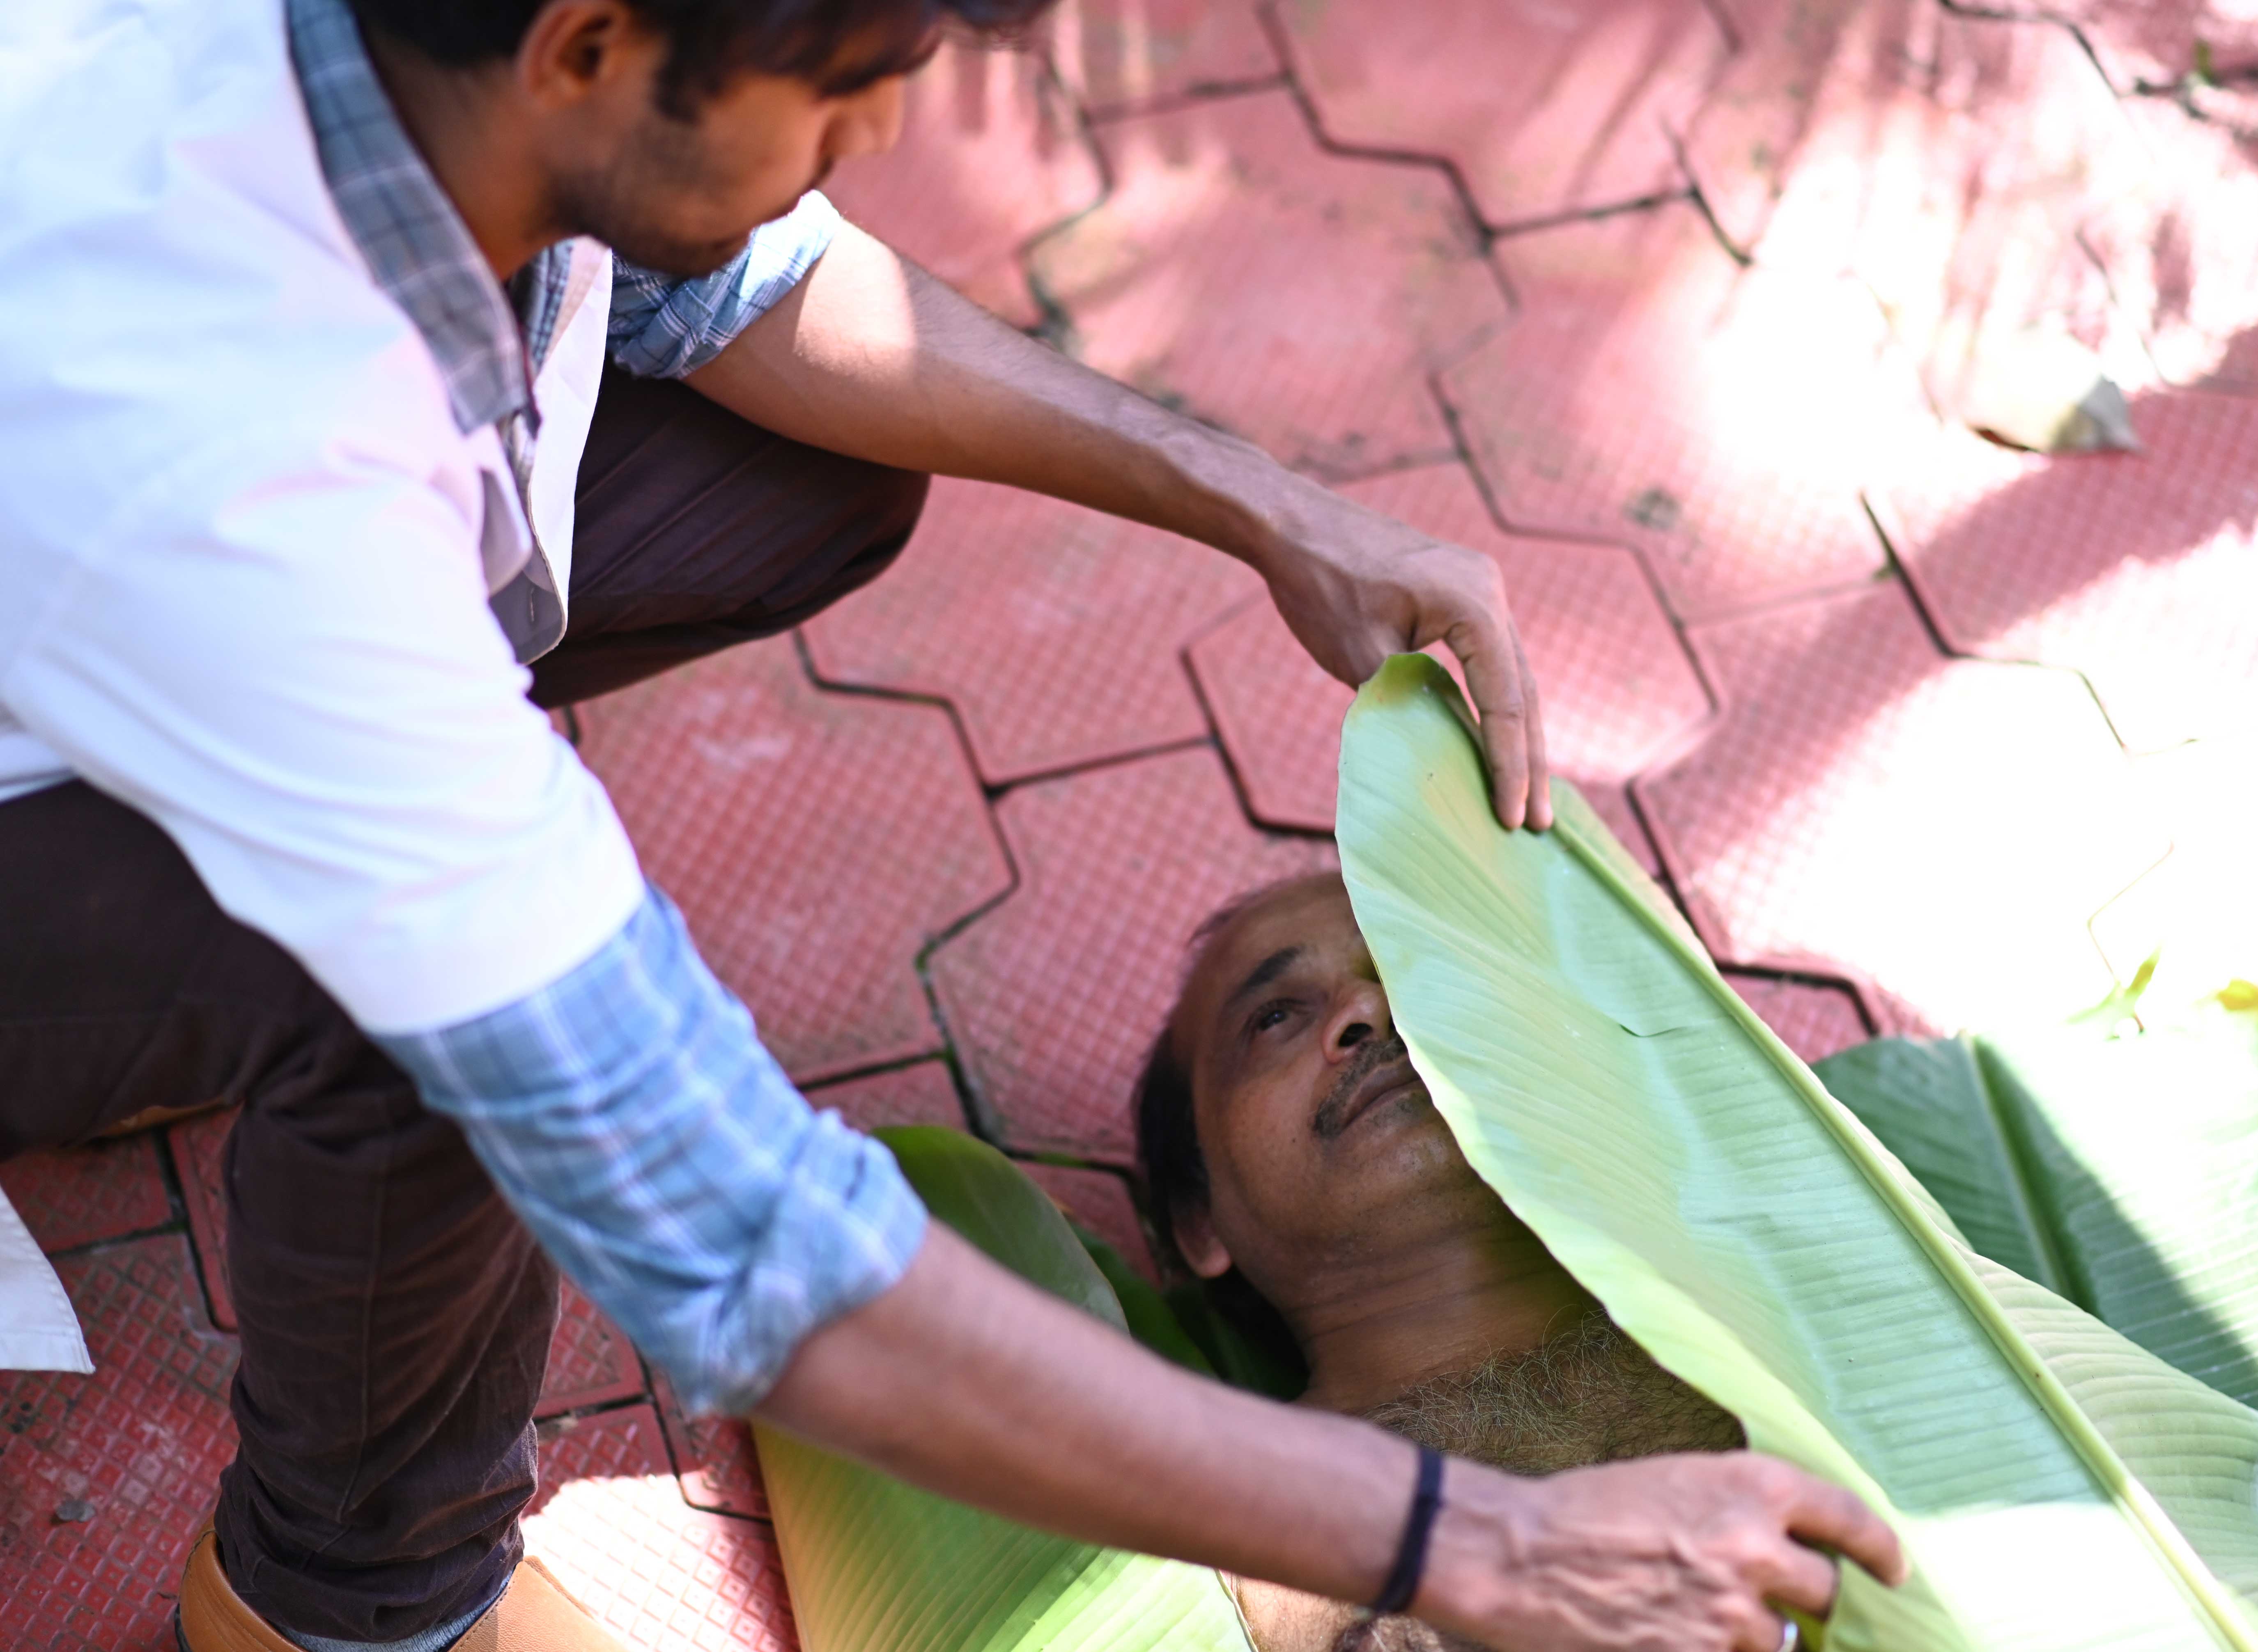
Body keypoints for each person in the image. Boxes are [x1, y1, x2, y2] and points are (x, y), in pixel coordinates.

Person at [0, 2, 1901, 1650]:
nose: (889, 133)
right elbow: (721, 1224)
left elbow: (732, 281)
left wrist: (1260, 500)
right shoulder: (229, 436)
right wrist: (1475, 1540)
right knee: (411, 1014)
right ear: (583, 41)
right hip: (171, 588)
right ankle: (345, 1605)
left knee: (809, 463)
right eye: (844, 78)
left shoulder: (436, 67)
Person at [1133, 872, 1797, 1652]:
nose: (1368, 1010)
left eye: (1411, 965)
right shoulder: (1215, 1561)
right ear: (1198, 1219)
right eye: (1274, 1017)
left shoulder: (1799, 1313)